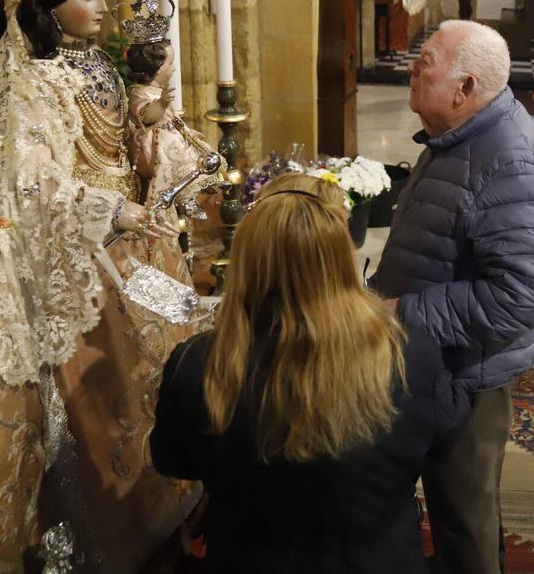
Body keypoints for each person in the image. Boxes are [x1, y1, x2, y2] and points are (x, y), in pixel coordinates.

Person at [0, 0, 199, 573]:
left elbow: (124, 135)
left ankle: (166, 491)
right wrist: (110, 212)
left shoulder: (94, 60)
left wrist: (154, 143)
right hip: (84, 259)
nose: (104, 8)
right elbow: (27, 185)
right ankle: (90, 534)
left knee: (157, 376)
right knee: (97, 406)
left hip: (131, 239)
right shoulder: (29, 84)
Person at [151, 174, 469, 573]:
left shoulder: (196, 364)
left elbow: (172, 461)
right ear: (341, 259)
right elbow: (444, 435)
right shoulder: (409, 352)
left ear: (246, 264)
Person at [371, 20, 534, 574]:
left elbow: (527, 293)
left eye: (425, 61)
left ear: (464, 88)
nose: (411, 68)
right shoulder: (460, 132)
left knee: (465, 518)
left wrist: (403, 310)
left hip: (467, 375)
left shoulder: (509, 160)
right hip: (434, 360)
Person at [124, 0, 222, 219]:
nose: (173, 68)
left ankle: (196, 190)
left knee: (200, 150)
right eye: (169, 64)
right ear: (155, 68)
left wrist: (187, 131)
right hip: (151, 148)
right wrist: (161, 104)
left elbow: (172, 121)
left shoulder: (154, 89)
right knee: (174, 152)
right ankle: (183, 197)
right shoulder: (139, 93)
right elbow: (145, 116)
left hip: (168, 138)